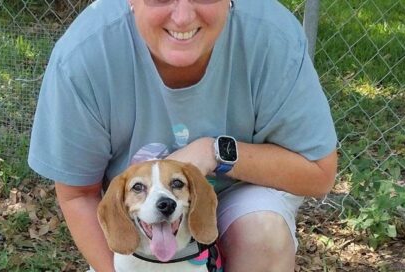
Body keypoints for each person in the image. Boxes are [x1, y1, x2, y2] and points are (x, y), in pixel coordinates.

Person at [28, 0, 338, 271]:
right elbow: (78, 194)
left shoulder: (272, 37)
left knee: (263, 233)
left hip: (243, 195)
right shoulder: (85, 55)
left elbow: (319, 173)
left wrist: (213, 152)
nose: (183, 17)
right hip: (140, 219)